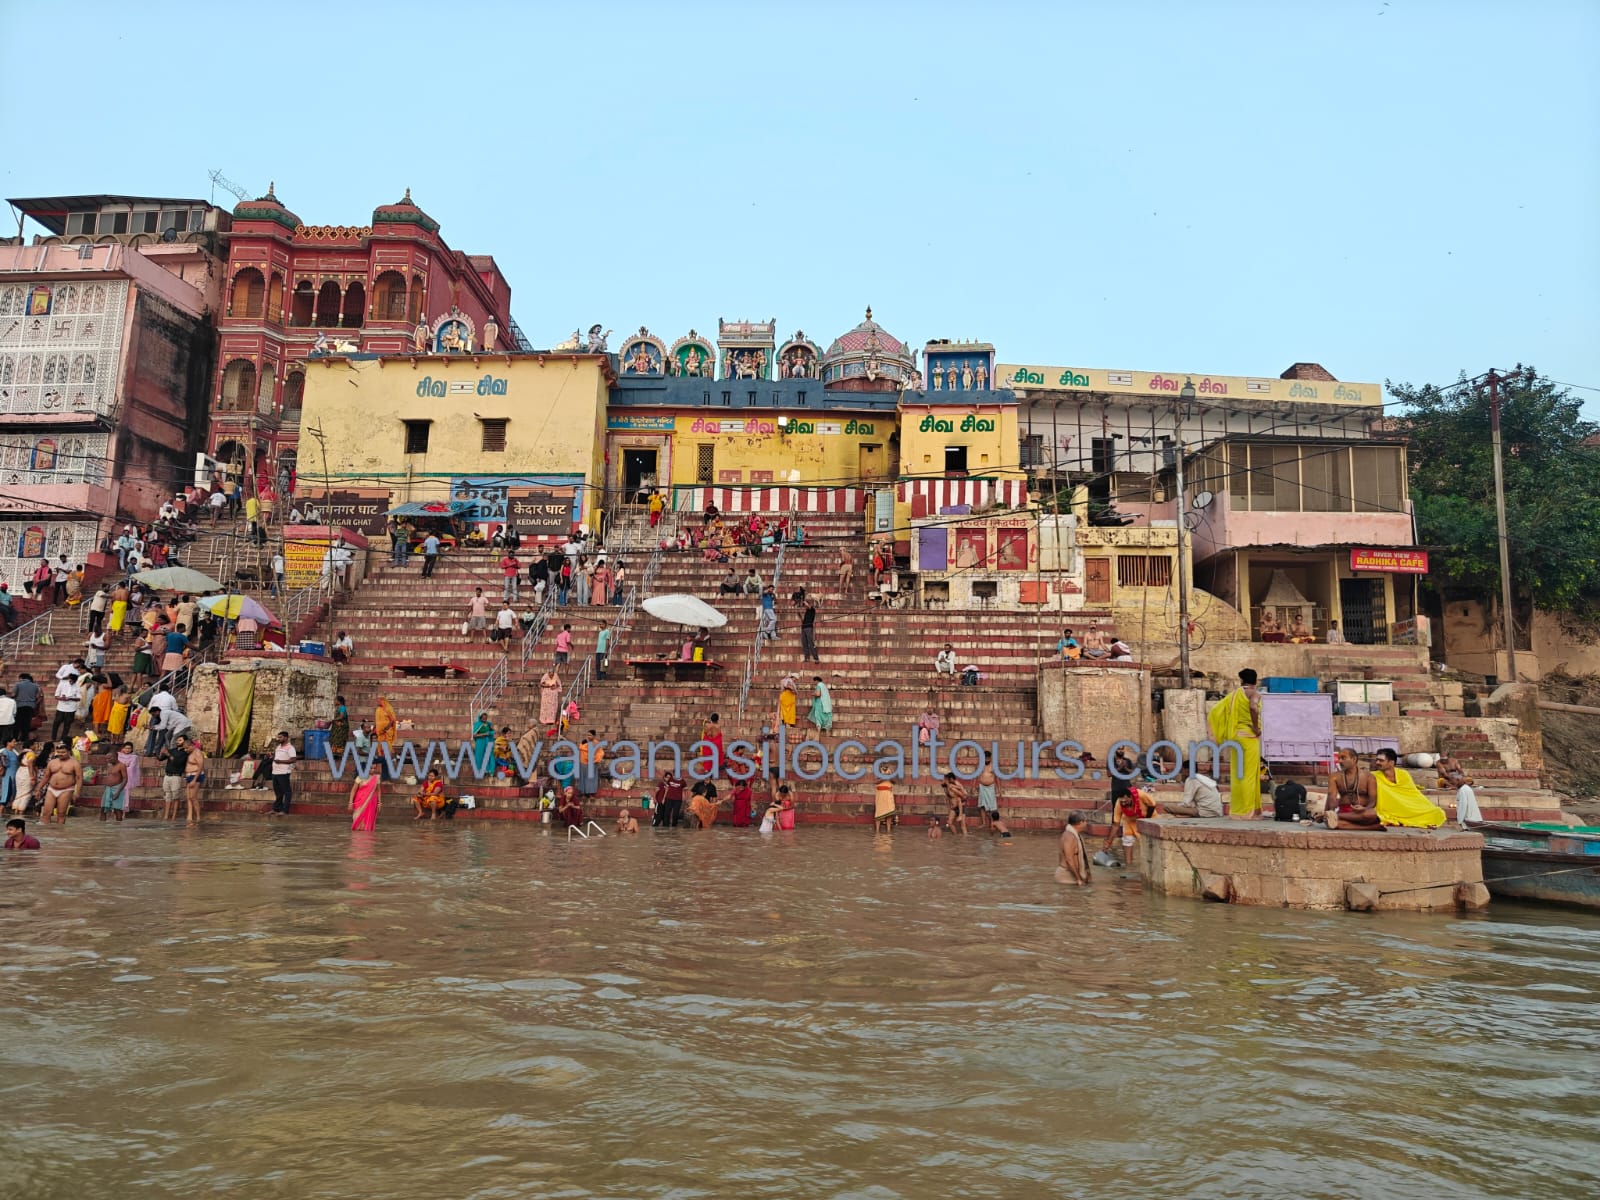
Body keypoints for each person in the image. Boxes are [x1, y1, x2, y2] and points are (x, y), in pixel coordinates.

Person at [1207, 668, 1263, 818]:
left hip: (1236, 738)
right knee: (1249, 775)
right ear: (1255, 681)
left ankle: (1237, 811)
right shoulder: (1254, 694)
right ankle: (1247, 811)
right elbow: (1253, 706)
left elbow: (1215, 711)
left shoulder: (1233, 696)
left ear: (1241, 681)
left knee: (1238, 774)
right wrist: (1256, 728)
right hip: (1249, 738)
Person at [1359, 747, 1446, 829]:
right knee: (1380, 816)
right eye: (1377, 760)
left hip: (1407, 806)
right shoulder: (1373, 776)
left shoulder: (1403, 774)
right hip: (1389, 807)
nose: (1377, 762)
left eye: (1381, 760)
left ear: (1391, 763)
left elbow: (1413, 794)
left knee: (1436, 812)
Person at [1324, 746, 1381, 829]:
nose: (1340, 761)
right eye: (1339, 758)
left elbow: (1373, 801)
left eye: (1343, 758)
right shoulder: (1334, 776)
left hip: (1362, 813)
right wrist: (1329, 812)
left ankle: (1340, 819)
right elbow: (1331, 797)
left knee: (1371, 814)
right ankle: (1371, 827)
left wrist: (1364, 808)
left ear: (1354, 759)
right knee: (1332, 822)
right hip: (1344, 813)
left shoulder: (1369, 777)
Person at [1107, 782, 1154, 867]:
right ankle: (1128, 865)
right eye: (1122, 802)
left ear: (1130, 797)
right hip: (1130, 821)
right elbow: (1116, 825)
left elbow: (1152, 805)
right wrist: (1108, 842)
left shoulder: (1141, 794)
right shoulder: (1119, 803)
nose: (1123, 804)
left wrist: (1147, 820)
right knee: (1127, 840)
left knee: (1149, 843)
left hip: (1148, 819)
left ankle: (1150, 865)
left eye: (1126, 801)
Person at [1159, 762, 1224, 818]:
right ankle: (1186, 815)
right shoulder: (1203, 778)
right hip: (1217, 812)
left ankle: (1186, 815)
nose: (1181, 771)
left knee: (1166, 806)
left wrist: (1178, 806)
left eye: (1183, 769)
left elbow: (1186, 803)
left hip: (1204, 812)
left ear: (1187, 770)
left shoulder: (1191, 779)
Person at [39, 744, 81, 824]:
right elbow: (46, 777)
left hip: (66, 790)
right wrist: (39, 789)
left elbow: (79, 778)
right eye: (58, 752)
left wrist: (77, 792)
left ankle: (59, 833)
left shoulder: (75, 763)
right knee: (46, 813)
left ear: (69, 752)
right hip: (51, 789)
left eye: (63, 752)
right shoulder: (52, 762)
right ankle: (45, 833)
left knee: (61, 814)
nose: (60, 754)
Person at [1437, 755, 1483, 826]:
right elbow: (1444, 774)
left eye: (1454, 782)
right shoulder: (1465, 788)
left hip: (1469, 820)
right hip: (1475, 818)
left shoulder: (1462, 790)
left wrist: (1460, 821)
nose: (1453, 783)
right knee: (1441, 781)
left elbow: (1462, 806)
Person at [1056, 813, 1091, 885]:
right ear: (1081, 822)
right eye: (1085, 821)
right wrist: (1078, 879)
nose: (1086, 823)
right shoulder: (1069, 836)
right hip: (1066, 877)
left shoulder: (1075, 835)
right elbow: (1069, 859)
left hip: (1074, 876)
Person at [267, 730, 294, 817]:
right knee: (278, 792)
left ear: (286, 738)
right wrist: (272, 757)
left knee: (287, 792)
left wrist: (280, 761)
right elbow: (277, 757)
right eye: (278, 737)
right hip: (275, 773)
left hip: (284, 772)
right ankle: (276, 809)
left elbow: (293, 760)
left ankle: (285, 810)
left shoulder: (290, 748)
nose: (278, 739)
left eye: (280, 737)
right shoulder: (278, 747)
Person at [161, 737, 187, 820]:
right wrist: (162, 752)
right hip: (167, 776)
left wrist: (168, 754)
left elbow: (177, 763)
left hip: (176, 776)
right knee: (167, 796)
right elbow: (160, 758)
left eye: (180, 740)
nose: (177, 742)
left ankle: (174, 816)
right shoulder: (172, 750)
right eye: (177, 740)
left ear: (185, 741)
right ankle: (166, 815)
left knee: (176, 797)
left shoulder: (185, 753)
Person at [97, 752, 127, 822]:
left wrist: (118, 792)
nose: (108, 760)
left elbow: (125, 779)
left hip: (117, 788)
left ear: (116, 756)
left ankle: (118, 829)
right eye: (107, 759)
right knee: (103, 808)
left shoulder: (121, 765)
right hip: (108, 788)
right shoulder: (109, 765)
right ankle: (103, 828)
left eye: (110, 758)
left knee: (117, 809)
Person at [374, 697, 398, 775]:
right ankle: (384, 760)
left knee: (388, 747)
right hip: (380, 733)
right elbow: (377, 721)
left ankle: (392, 759)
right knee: (381, 748)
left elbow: (392, 720)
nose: (377, 701)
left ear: (383, 701)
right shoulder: (378, 709)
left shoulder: (388, 709)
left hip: (387, 732)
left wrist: (386, 728)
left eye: (379, 700)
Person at [471, 712, 495, 776]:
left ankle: (488, 770)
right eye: (483, 718)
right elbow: (474, 735)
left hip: (487, 741)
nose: (484, 719)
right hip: (480, 742)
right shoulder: (477, 724)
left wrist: (491, 731)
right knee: (480, 755)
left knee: (489, 755)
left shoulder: (488, 724)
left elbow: (492, 731)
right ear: (480, 718)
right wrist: (484, 734)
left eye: (486, 718)